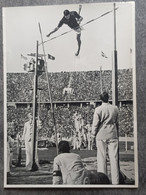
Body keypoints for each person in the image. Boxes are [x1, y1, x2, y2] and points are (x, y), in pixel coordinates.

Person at [91, 91, 119, 185]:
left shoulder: (98, 109)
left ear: (101, 99)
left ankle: (103, 181)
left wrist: (93, 135)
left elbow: (95, 124)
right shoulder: (115, 108)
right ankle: (116, 181)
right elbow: (116, 121)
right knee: (114, 158)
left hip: (101, 134)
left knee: (101, 158)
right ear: (108, 98)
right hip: (112, 133)